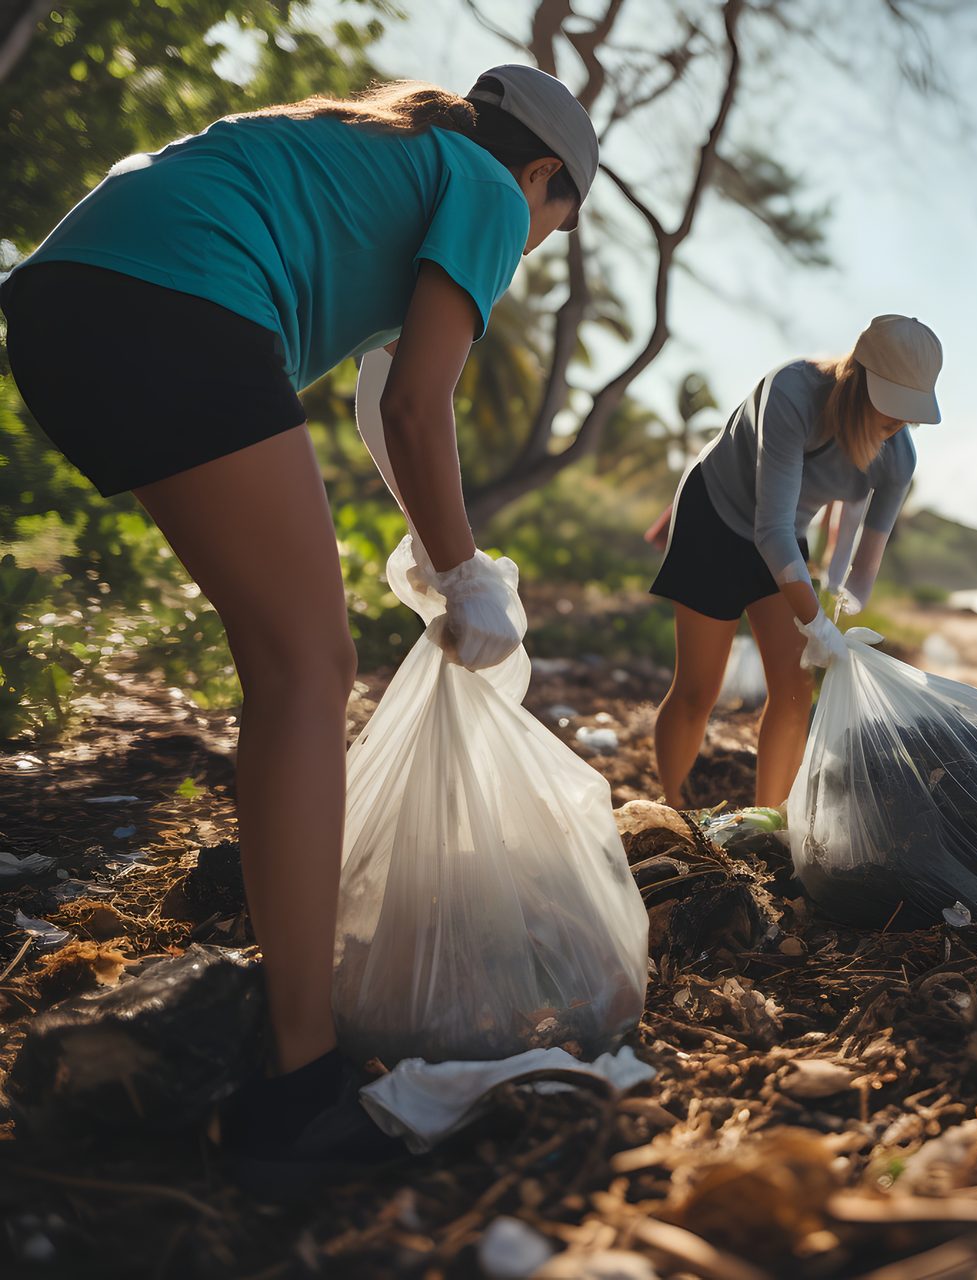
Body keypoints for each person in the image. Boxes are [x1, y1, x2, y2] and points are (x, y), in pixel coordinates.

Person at [0, 66, 597, 1164]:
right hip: (176, 301)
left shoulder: (388, 147)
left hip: (64, 298)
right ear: (544, 175)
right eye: (550, 228)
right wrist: (466, 575)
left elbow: (382, 394)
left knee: (290, 665)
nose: (527, 247)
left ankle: (291, 1027)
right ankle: (301, 1078)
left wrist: (434, 544)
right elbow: (422, 407)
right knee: (306, 674)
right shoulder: (489, 187)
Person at [650, 315, 941, 810]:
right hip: (715, 516)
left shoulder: (899, 459)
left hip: (783, 539)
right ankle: (674, 808)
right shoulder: (793, 392)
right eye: (890, 403)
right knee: (700, 688)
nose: (898, 423)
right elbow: (770, 530)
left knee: (794, 688)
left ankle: (770, 818)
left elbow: (864, 567)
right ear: (856, 378)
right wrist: (813, 622)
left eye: (909, 411)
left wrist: (842, 614)